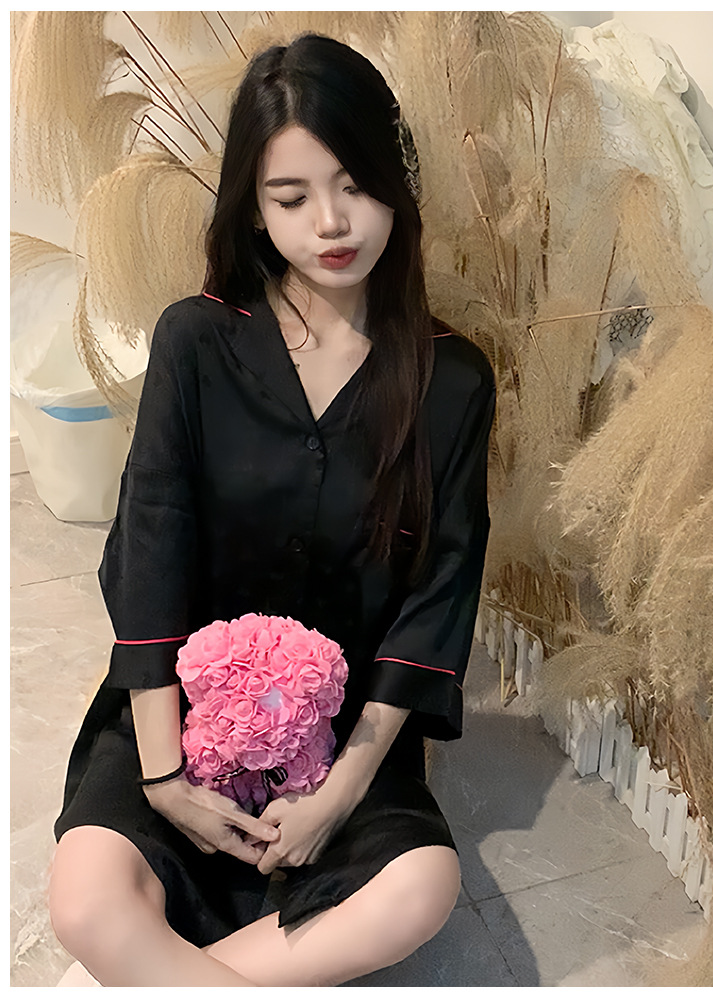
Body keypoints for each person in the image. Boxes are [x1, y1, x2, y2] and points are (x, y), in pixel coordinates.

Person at [49, 33, 495, 987]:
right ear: (252, 208)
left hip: (344, 734)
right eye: (291, 198)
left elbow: (441, 590)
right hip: (185, 709)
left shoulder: (452, 380)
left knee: (421, 888)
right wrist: (164, 778)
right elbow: (150, 545)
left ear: (396, 184)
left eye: (355, 186)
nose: (331, 222)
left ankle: (153, 973)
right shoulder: (197, 341)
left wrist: (340, 793)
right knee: (84, 899)